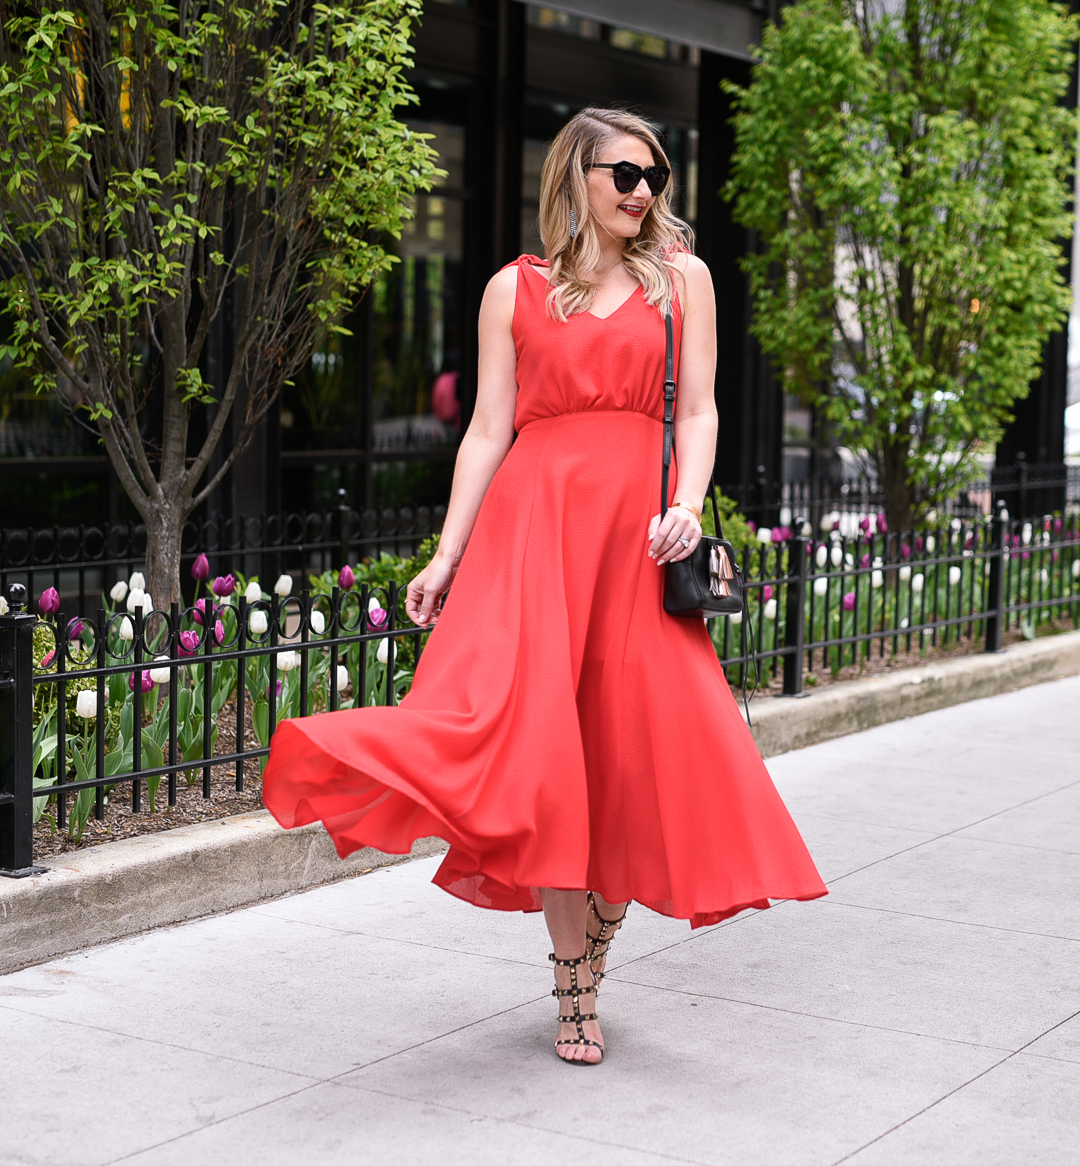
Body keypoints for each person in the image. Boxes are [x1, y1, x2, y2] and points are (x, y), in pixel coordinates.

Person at [263, 107, 827, 1066]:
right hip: (535, 534)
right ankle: (573, 987)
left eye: (655, 175)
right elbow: (487, 430)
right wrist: (446, 556)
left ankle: (591, 952)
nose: (643, 191)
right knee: (539, 756)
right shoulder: (512, 291)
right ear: (576, 175)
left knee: (639, 757)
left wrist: (689, 500)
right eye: (624, 174)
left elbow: (698, 409)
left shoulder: (683, 281)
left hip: (636, 543)